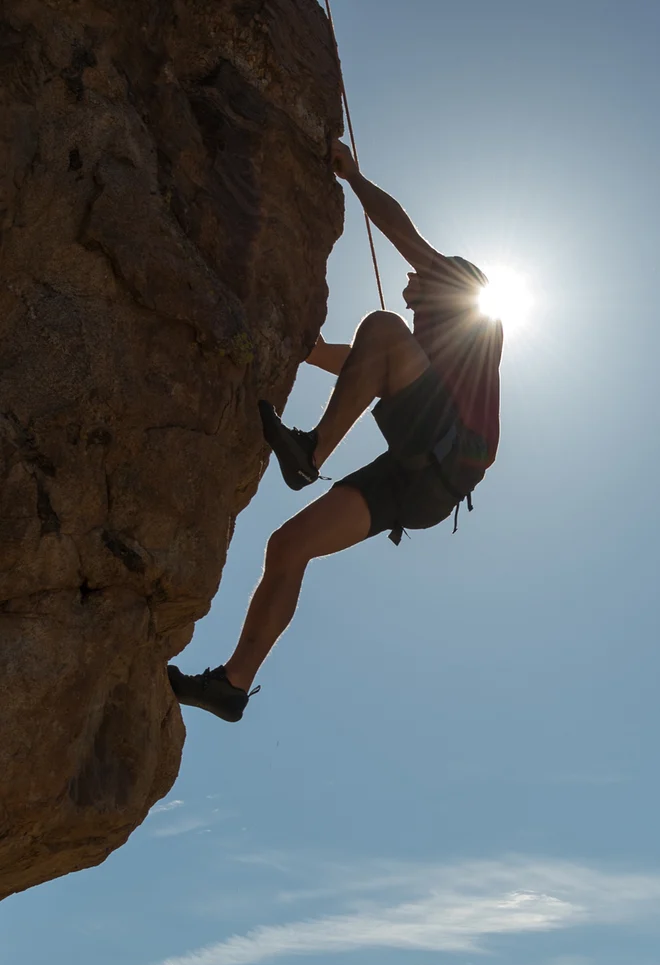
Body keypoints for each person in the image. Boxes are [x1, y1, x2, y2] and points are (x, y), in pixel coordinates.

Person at [168, 140, 504, 722]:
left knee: (381, 324)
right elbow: (360, 361)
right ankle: (232, 685)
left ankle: (310, 452)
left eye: (423, 273)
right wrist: (308, 348)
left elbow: (402, 234)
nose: (411, 273)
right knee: (287, 546)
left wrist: (353, 176)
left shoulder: (467, 304)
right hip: (422, 482)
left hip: (441, 455)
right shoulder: (439, 348)